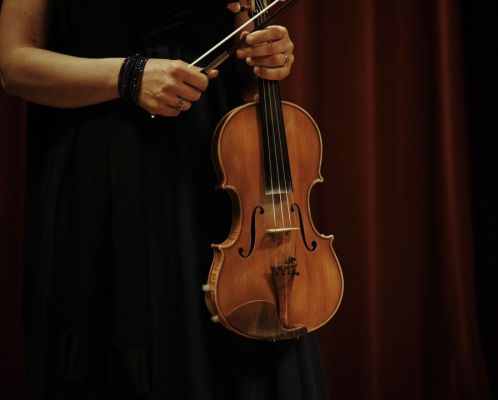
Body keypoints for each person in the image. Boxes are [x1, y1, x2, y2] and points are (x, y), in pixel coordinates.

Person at [0, 0, 328, 399]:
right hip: (105, 176)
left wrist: (268, 56)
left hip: (217, 170)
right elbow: (14, 65)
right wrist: (128, 76)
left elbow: (244, 68)